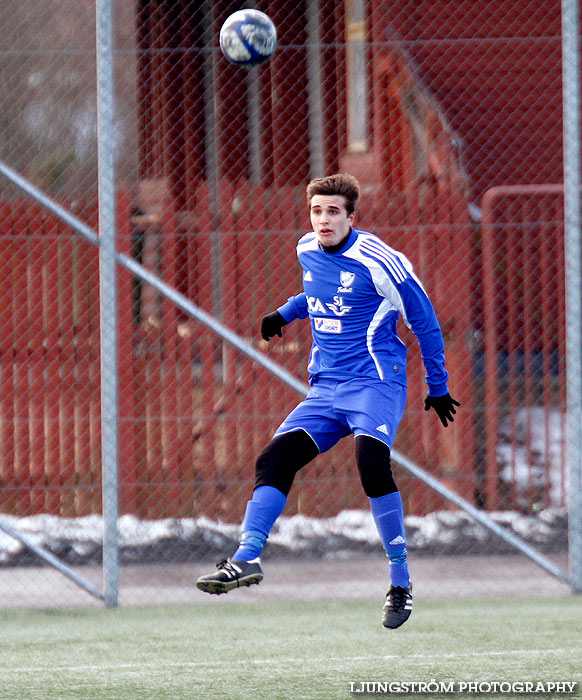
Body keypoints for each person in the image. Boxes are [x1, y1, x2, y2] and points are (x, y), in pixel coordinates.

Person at [196, 173, 459, 629]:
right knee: (273, 459)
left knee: (372, 464)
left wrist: (437, 386)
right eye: (317, 211)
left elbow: (426, 321)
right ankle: (246, 557)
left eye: (333, 211)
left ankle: (400, 582)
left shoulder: (382, 262)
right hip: (326, 388)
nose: (323, 219)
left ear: (351, 217)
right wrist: (284, 313)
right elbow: (319, 294)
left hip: (377, 383)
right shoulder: (306, 249)